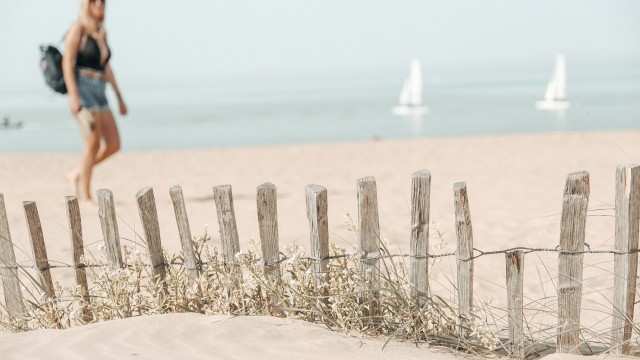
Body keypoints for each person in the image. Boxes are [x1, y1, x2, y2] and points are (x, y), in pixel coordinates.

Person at [62, 0, 127, 204]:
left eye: (102, 1)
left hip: (101, 90)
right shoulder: (78, 29)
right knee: (92, 144)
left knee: (114, 144)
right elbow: (67, 62)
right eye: (93, 1)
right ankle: (85, 195)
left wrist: (119, 96)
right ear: (86, 5)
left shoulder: (100, 32)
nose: (99, 4)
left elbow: (106, 67)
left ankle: (77, 173)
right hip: (83, 90)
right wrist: (74, 95)